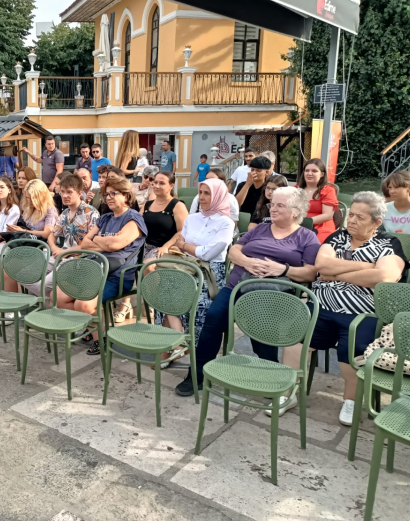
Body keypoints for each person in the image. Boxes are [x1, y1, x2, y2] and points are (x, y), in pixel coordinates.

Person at [174, 187, 320, 397]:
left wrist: (283, 269)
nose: (273, 209)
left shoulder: (306, 237)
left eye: (280, 205)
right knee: (213, 319)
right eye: (272, 204)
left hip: (272, 293)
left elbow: (311, 272)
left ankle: (271, 377)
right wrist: (246, 261)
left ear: (296, 211)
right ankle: (197, 375)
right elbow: (234, 250)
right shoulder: (261, 229)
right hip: (237, 286)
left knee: (261, 328)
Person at [277, 192, 408, 425]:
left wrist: (337, 274)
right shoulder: (337, 237)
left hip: (362, 312)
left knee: (354, 346)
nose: (352, 220)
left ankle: (350, 400)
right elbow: (322, 265)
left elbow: (385, 277)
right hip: (321, 306)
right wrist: (367, 267)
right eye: (351, 215)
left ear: (376, 222)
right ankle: (289, 393)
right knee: (294, 335)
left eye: (360, 217)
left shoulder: (389, 243)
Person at [71, 174, 147, 355]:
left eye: (114, 193)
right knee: (58, 297)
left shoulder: (133, 219)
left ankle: (100, 339)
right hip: (95, 269)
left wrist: (98, 239)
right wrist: (105, 242)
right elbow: (85, 243)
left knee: (83, 305)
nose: (109, 197)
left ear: (126, 195)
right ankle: (91, 329)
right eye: (106, 194)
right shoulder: (105, 218)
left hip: (117, 276)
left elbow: (114, 245)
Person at [161, 180, 235, 355]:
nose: (201, 197)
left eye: (207, 193)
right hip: (187, 265)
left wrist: (186, 246)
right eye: (200, 192)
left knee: (193, 297)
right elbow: (180, 247)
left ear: (218, 196)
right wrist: (185, 248)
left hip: (209, 272)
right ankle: (179, 343)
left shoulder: (226, 223)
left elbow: (209, 254)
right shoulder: (192, 218)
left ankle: (184, 345)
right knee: (163, 288)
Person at [26, 174, 99, 303]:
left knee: (43, 286)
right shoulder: (65, 213)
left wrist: (64, 252)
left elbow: (91, 244)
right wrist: (54, 248)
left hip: (80, 258)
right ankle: (51, 302)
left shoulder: (91, 213)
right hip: (60, 255)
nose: (65, 195)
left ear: (79, 193)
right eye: (63, 192)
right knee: (25, 274)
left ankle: (52, 304)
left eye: (69, 192)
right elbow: (52, 235)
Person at [136, 170, 188, 327]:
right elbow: (137, 226)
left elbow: (182, 231)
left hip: (166, 248)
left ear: (171, 186)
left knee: (149, 266)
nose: (156, 186)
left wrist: (166, 246)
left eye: (161, 183)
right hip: (144, 245)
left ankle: (156, 303)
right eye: (155, 182)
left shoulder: (177, 205)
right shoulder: (147, 205)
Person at [298, 158, 338, 242]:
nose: (309, 173)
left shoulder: (328, 190)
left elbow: (327, 215)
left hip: (322, 226)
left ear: (322, 174)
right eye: (307, 170)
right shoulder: (296, 189)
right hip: (297, 224)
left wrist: (307, 221)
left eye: (314, 171)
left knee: (312, 243)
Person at [383, 171, 410, 236]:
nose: (392, 191)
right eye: (390, 188)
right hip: (390, 242)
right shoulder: (384, 208)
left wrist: (407, 238)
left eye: (396, 187)